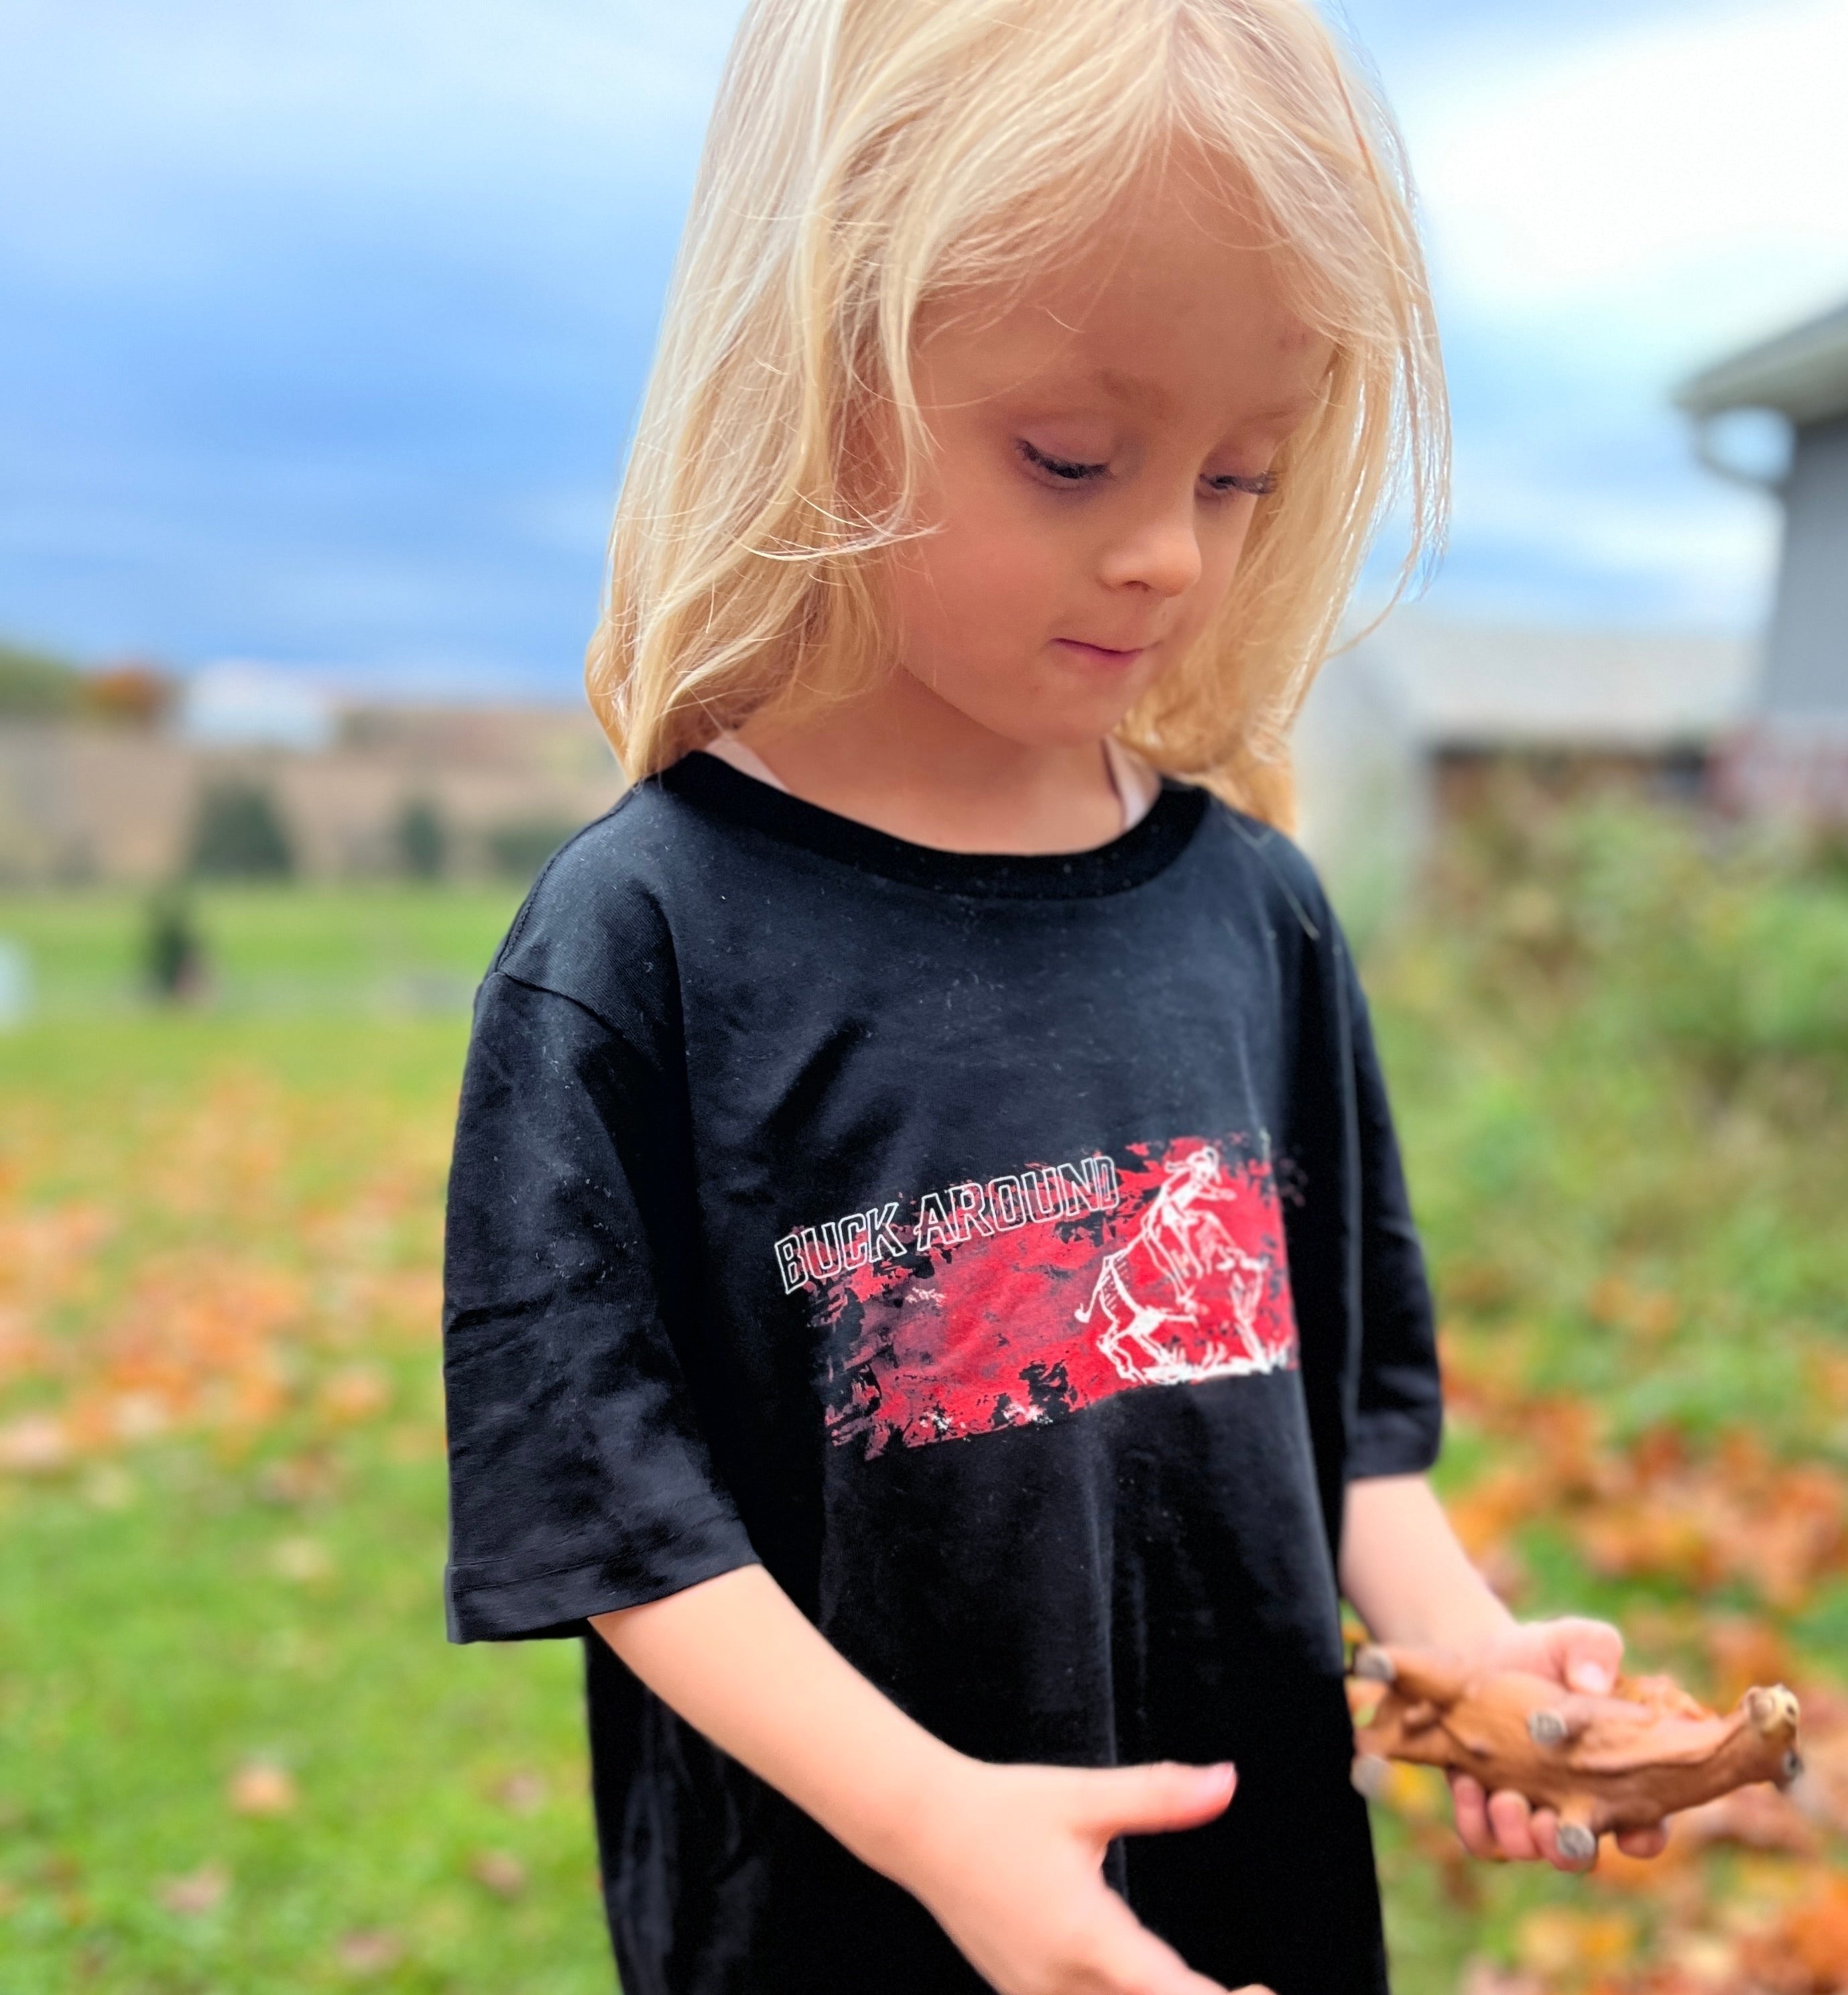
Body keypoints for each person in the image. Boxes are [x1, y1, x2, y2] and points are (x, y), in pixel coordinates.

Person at [440, 2, 1668, 1990]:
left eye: (1243, 475)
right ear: (825, 371)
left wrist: (1465, 1661)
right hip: (844, 1930)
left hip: (1250, 1915)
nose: (1172, 552)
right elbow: (608, 1515)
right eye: (1075, 457)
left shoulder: (1255, 914)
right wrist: (945, 1830)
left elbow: (1351, 1436)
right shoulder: (641, 943)